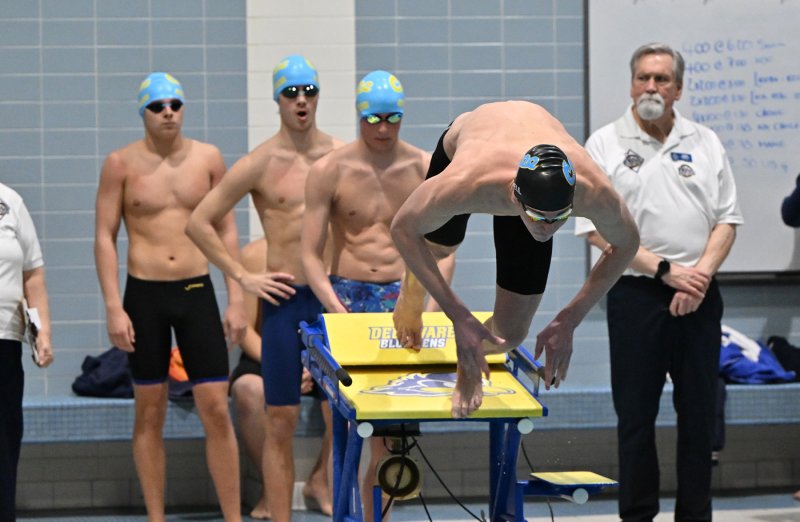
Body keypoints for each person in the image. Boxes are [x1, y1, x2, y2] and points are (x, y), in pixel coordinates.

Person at [574, 43, 743, 521]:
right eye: (643, 78)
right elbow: (592, 228)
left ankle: (695, 515)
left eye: (662, 79)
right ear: (631, 84)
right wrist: (667, 272)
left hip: (700, 295)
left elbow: (727, 220)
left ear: (678, 89)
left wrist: (699, 277)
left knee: (698, 419)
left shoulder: (706, 141)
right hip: (635, 295)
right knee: (635, 419)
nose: (651, 87)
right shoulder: (604, 143)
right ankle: (638, 515)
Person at [390, 100, 640, 419]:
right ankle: (409, 295)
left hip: (528, 169)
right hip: (471, 144)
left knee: (510, 335)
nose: (547, 229)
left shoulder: (594, 191)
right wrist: (459, 316)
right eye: (537, 217)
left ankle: (471, 360)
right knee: (440, 246)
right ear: (514, 196)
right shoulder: (465, 182)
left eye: (559, 217)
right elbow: (402, 229)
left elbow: (627, 245)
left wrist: (570, 318)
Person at [186, 55, 341, 522]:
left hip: (331, 299)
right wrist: (242, 275)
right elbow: (199, 222)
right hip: (284, 302)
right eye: (291, 93)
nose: (301, 101)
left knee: (349, 416)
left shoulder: (340, 157)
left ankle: (337, 500)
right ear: (277, 99)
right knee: (281, 422)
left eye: (309, 92)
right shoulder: (260, 163)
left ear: (318, 97)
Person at [94, 72, 245, 522]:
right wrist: (112, 306)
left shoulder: (208, 159)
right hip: (144, 296)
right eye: (158, 106)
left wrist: (235, 297)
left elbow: (226, 230)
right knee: (150, 410)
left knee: (216, 409)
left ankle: (233, 517)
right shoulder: (120, 164)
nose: (168, 114)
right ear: (143, 112)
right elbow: (104, 235)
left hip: (197, 290)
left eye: (176, 105)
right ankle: (156, 518)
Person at [302, 70, 446, 521]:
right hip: (345, 296)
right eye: (373, 119)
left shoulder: (424, 168)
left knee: (391, 434)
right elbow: (307, 254)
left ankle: (374, 518)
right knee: (344, 427)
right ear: (359, 116)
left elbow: (444, 247)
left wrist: (431, 305)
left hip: (403, 297)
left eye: (393, 118)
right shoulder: (330, 170)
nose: (383, 129)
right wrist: (335, 308)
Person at [229, 237, 332, 519]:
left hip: (319, 352)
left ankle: (320, 479)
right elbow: (246, 331)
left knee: (343, 401)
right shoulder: (254, 255)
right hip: (268, 351)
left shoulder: (333, 248)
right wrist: (283, 364)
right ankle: (270, 488)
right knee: (249, 391)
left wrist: (310, 363)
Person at [0, 182, 54, 521]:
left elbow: (32, 274)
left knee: (4, 443)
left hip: (5, 340)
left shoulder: (9, 201)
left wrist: (43, 330)